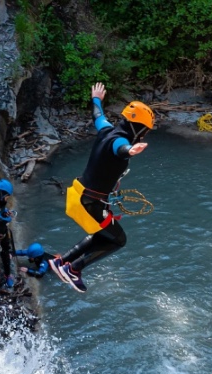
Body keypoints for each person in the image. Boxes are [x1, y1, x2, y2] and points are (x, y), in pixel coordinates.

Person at [49, 82, 154, 293]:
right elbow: (120, 149)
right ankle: (74, 269)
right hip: (91, 203)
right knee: (118, 239)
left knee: (104, 233)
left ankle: (62, 262)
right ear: (138, 128)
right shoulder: (120, 141)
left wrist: (96, 98)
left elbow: (97, 115)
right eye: (145, 131)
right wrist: (130, 150)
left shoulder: (107, 129)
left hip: (80, 194)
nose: (144, 135)